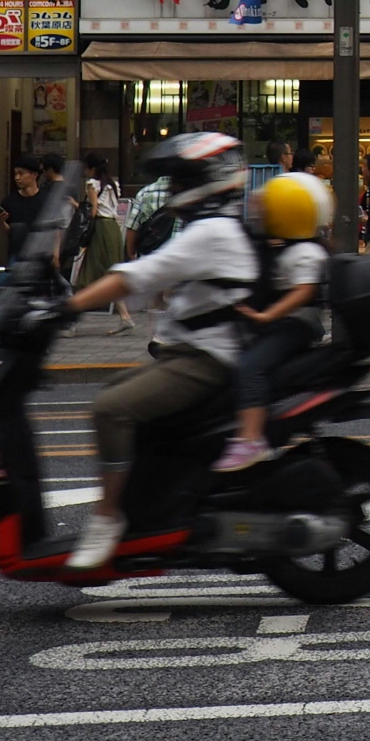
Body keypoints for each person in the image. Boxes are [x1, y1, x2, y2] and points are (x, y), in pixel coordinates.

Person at [60, 134, 263, 570]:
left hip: (206, 360)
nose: (173, 190)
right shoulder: (212, 229)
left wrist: (68, 306)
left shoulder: (212, 232)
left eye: (180, 180)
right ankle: (148, 506)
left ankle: (108, 516)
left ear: (207, 181)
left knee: (111, 409)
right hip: (188, 352)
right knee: (116, 395)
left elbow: (139, 275)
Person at [214, 173, 333, 473]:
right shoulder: (286, 245)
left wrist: (268, 315)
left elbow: (303, 291)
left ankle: (250, 439)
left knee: (251, 367)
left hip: (294, 327)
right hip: (284, 324)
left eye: (269, 209)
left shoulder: (306, 252)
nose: (261, 213)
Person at [78, 155, 134, 335]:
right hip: (113, 228)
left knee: (90, 273)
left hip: (101, 228)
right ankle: (125, 316)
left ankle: (71, 321)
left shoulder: (91, 184)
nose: (85, 171)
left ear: (92, 168)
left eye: (86, 168)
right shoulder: (113, 184)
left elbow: (94, 209)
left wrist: (77, 208)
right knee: (111, 271)